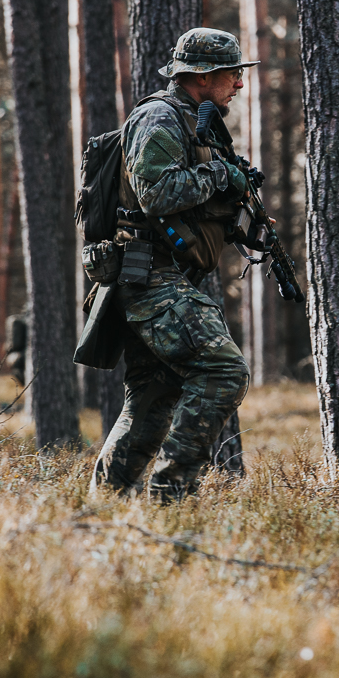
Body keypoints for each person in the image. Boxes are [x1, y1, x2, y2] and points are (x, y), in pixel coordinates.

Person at [93, 28, 259, 498]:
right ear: (202, 76)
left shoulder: (194, 120)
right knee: (224, 371)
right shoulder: (160, 117)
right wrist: (219, 174)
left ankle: (103, 510)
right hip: (147, 276)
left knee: (151, 402)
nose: (239, 85)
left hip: (162, 275)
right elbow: (157, 194)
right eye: (232, 74)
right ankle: (172, 495)